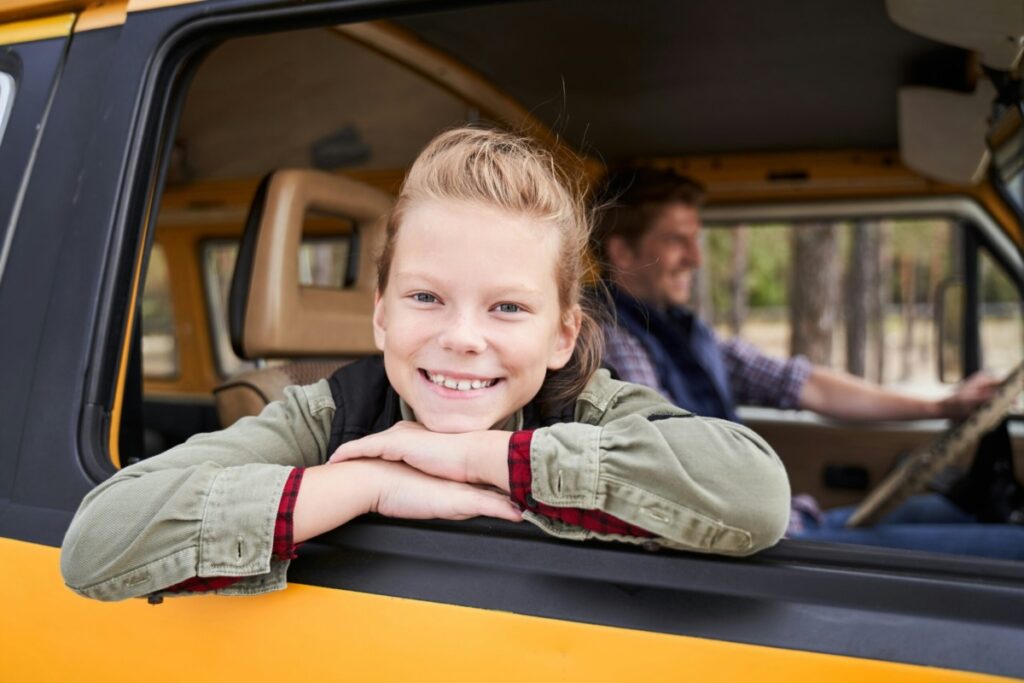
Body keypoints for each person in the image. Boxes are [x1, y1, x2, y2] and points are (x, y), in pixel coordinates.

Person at [60, 128, 791, 602]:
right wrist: (365, 481)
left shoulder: (585, 404)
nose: (463, 337)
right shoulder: (328, 414)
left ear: (563, 334)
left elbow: (753, 494)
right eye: (425, 297)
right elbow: (96, 542)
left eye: (507, 308)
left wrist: (479, 456)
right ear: (381, 313)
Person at [594, 165, 1024, 559]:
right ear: (624, 253)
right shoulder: (614, 340)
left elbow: (802, 383)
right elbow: (671, 456)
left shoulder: (684, 332)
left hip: (787, 525)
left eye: (695, 239)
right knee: (1008, 547)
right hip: (756, 549)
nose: (696, 257)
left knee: (956, 514)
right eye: (675, 240)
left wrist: (940, 408)